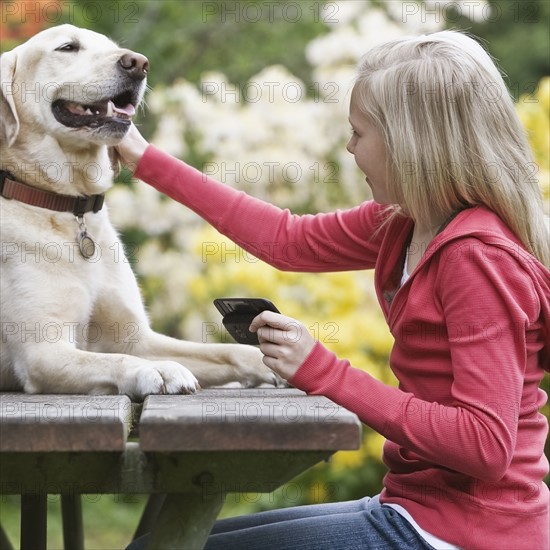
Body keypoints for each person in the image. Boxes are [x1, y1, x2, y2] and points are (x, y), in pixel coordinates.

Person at [120, 31, 550, 550]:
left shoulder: (476, 259)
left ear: (411, 144)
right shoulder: (406, 224)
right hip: (416, 508)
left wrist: (321, 371)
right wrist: (142, 157)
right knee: (164, 540)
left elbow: (485, 446)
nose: (349, 148)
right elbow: (286, 239)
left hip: (466, 533)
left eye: (359, 133)